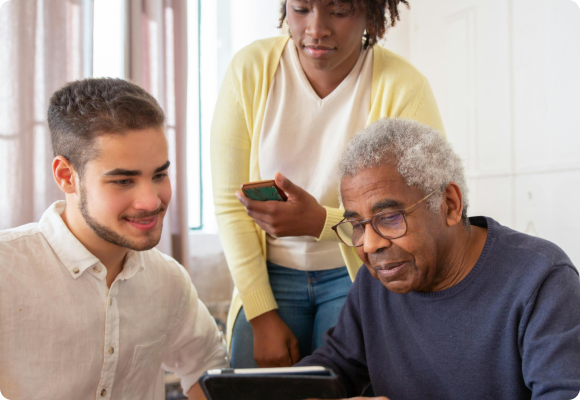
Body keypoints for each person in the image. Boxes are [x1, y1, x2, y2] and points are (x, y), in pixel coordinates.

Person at [211, 0, 445, 369]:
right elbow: (230, 202)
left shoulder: (404, 86)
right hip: (267, 274)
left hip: (357, 272)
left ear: (370, 13)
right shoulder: (250, 70)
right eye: (301, 8)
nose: (316, 28)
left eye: (338, 11)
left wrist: (320, 221)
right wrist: (260, 315)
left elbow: (424, 212)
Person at [297, 118, 580, 399]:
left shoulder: (542, 280)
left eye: (390, 218)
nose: (370, 245)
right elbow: (334, 369)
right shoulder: (377, 282)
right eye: (358, 224)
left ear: (450, 205)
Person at [0, 78, 228, 400]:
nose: (151, 201)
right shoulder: (6, 272)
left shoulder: (169, 281)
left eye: (159, 175)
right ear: (67, 176)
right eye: (123, 180)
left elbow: (207, 370)